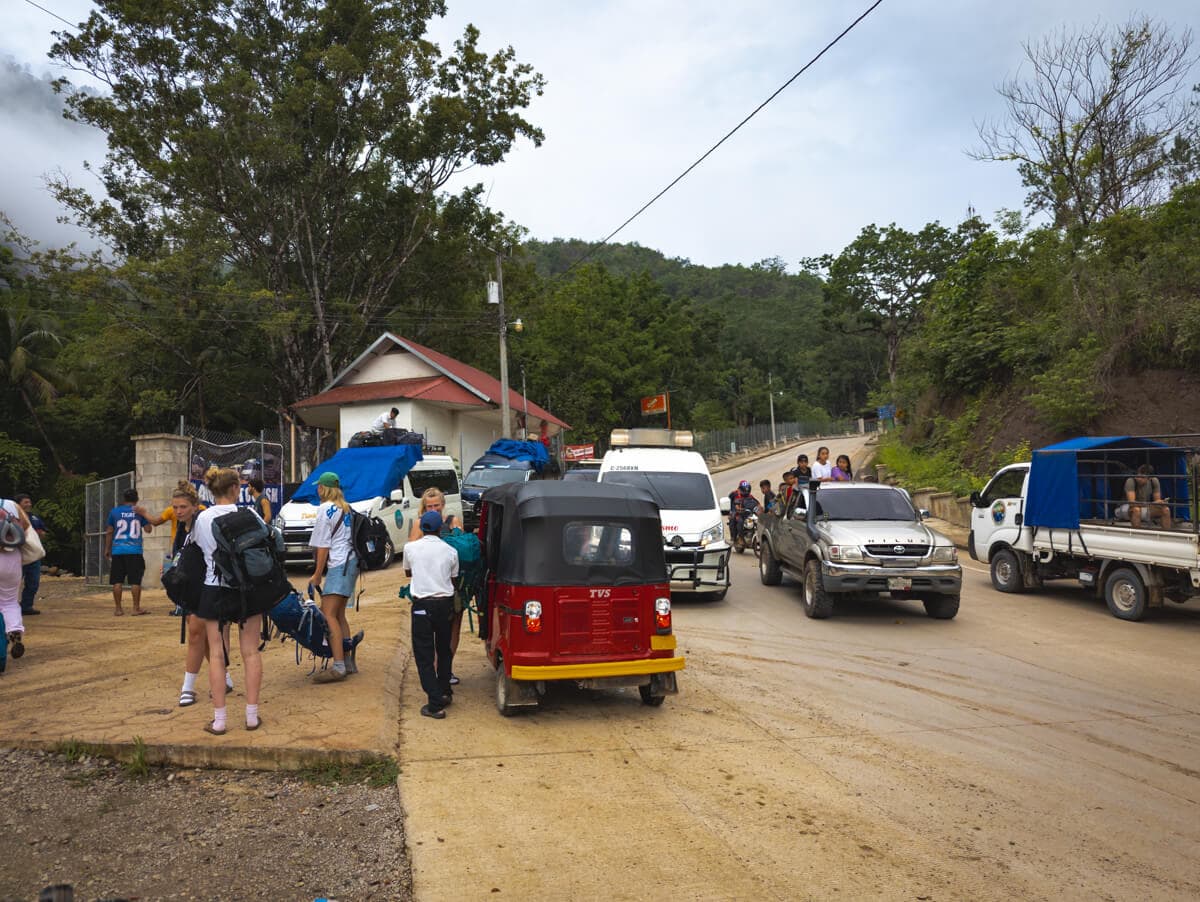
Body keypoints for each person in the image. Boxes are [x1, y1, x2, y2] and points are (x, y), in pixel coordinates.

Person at [193, 467, 265, 733]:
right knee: (251, 651)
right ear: (235, 488)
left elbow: (201, 551)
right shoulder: (250, 514)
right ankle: (251, 716)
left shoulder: (202, 519)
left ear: (212, 490)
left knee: (217, 654)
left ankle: (220, 720)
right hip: (248, 589)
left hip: (215, 588)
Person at [402, 510, 459, 719]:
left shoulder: (410, 548)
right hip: (445, 605)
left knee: (424, 655)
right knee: (443, 650)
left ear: (422, 528)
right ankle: (444, 691)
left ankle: (435, 704)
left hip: (422, 606)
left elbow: (408, 573)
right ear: (440, 529)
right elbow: (453, 578)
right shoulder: (451, 550)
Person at [307, 472, 362, 683]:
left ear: (322, 488)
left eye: (318, 487)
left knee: (328, 614)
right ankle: (346, 661)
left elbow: (323, 546)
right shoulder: (346, 507)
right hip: (351, 563)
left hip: (339, 565)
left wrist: (317, 575)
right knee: (339, 615)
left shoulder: (324, 510)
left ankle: (338, 666)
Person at [407, 488, 461, 683]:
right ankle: (439, 673)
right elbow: (411, 554)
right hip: (431, 586)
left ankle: (446, 670)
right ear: (423, 507)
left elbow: (461, 548)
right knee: (432, 634)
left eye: (436, 505)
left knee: (451, 630)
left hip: (451, 586)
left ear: (443, 505)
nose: (433, 509)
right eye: (429, 506)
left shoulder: (453, 521)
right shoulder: (420, 524)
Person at [105, 488, 152, 616]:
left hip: (118, 550)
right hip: (134, 551)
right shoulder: (139, 512)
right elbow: (148, 529)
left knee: (117, 580)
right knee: (135, 581)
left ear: (124, 499)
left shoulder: (114, 512)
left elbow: (109, 532)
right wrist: (144, 515)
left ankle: (118, 609)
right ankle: (136, 608)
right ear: (136, 499)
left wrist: (107, 549)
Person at [0, 497, 33, 663]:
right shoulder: (12, 504)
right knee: (9, 601)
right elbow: (26, 527)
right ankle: (14, 630)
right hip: (11, 558)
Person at [15, 494, 45, 616]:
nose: (29, 504)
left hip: (33, 556)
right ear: (18, 504)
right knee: (14, 583)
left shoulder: (34, 518)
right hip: (18, 556)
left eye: (29, 502)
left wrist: (40, 534)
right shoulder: (13, 517)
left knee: (33, 582)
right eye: (25, 502)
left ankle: (26, 606)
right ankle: (9, 606)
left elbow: (43, 532)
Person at [1118, 464, 1172, 529]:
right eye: (1138, 476)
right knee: (1136, 510)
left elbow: (1156, 501)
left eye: (1142, 477)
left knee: (1166, 510)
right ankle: (1137, 535)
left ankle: (1165, 534)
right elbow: (1132, 503)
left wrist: (1161, 503)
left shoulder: (1154, 481)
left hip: (1144, 506)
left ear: (1149, 478)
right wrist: (1152, 504)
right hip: (1124, 508)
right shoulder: (1131, 481)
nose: (1139, 479)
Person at [727, 480, 760, 544]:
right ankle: (740, 538)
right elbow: (735, 505)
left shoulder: (750, 496)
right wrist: (735, 510)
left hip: (747, 513)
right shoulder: (736, 494)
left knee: (756, 520)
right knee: (740, 521)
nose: (746, 491)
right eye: (745, 490)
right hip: (737, 513)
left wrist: (760, 509)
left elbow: (757, 503)